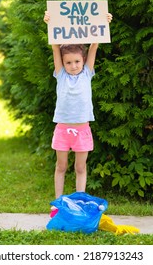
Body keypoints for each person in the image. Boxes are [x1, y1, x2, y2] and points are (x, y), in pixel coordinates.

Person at [44, 11, 112, 216]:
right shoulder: (61, 74)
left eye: (76, 62)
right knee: (62, 165)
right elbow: (55, 46)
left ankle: (80, 202)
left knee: (80, 168)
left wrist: (103, 22)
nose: (73, 66)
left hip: (82, 130)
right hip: (63, 129)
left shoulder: (87, 73)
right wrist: (50, 22)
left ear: (83, 61)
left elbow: (94, 46)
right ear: (63, 64)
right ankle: (57, 203)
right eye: (68, 63)